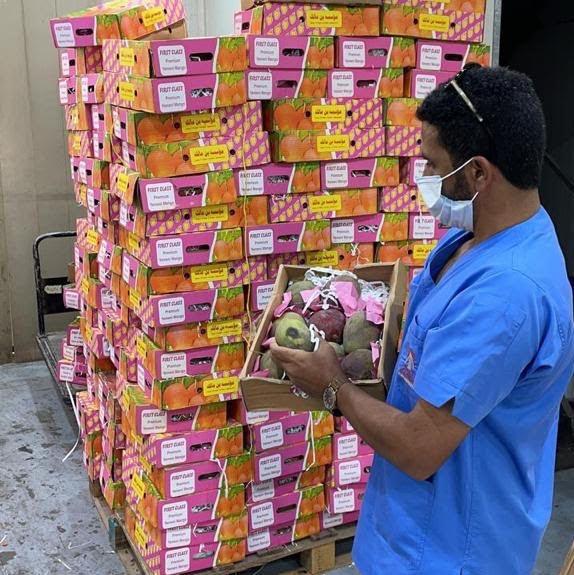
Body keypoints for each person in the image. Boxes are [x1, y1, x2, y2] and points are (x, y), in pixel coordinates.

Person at [270, 65, 574, 575]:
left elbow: (418, 448)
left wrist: (334, 387)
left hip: (450, 551)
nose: (425, 177)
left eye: (434, 164)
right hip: (407, 526)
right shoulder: (476, 238)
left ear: (478, 174)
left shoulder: (506, 295)